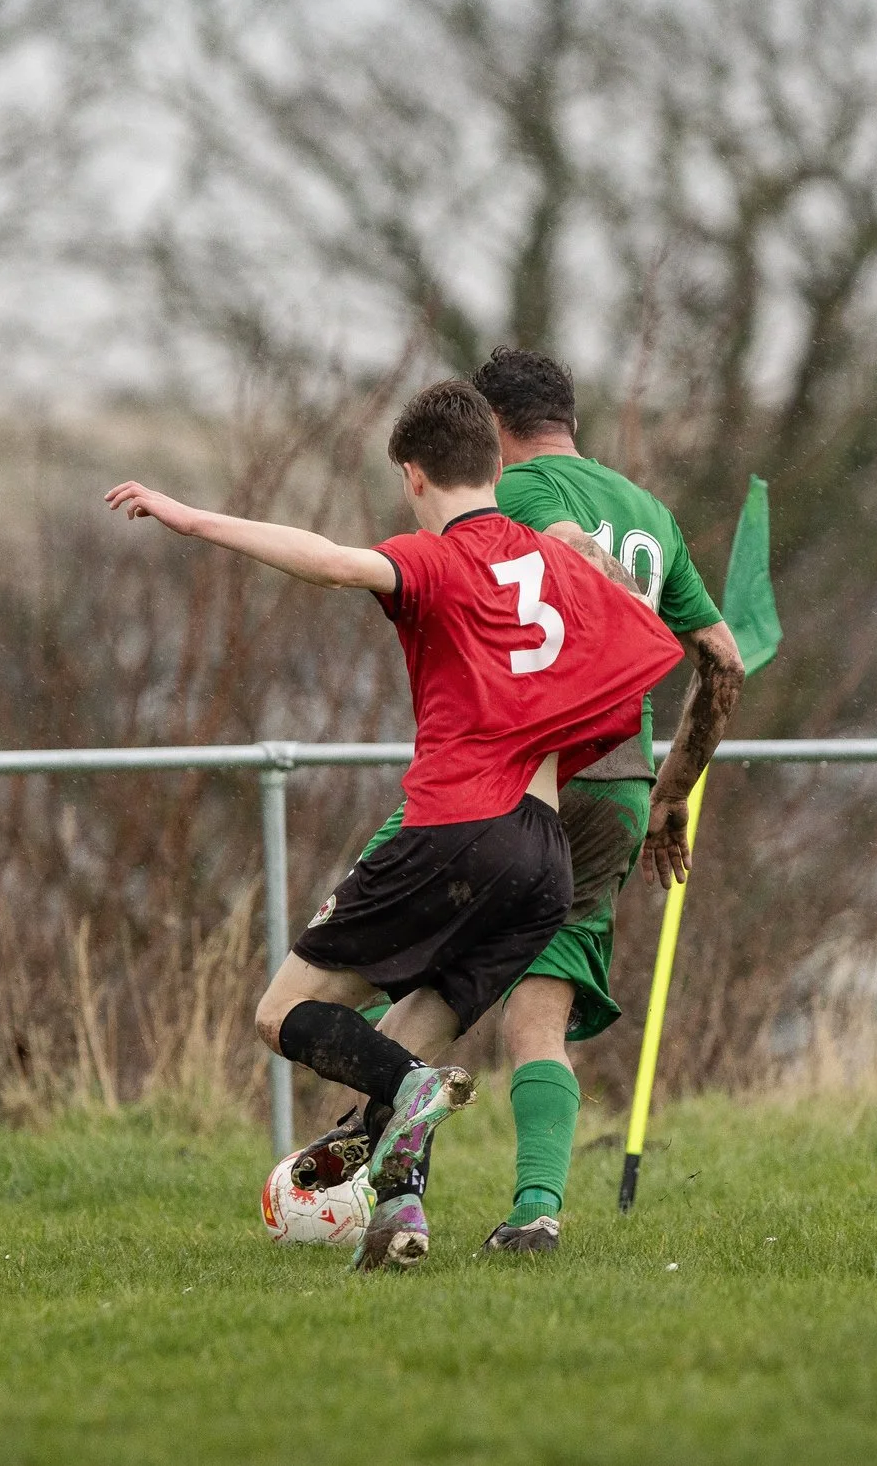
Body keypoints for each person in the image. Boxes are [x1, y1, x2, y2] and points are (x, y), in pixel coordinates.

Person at [104, 379, 682, 1270]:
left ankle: (412, 1098)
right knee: (404, 1043)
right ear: (497, 461)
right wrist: (585, 563)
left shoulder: (439, 560)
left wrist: (190, 518)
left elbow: (330, 559)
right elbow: (648, 639)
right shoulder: (559, 563)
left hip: (452, 832)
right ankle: (399, 1218)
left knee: (283, 1014)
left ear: (414, 478)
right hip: (543, 862)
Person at [291, 348, 745, 1255]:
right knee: (537, 1015)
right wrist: (671, 794)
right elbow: (724, 660)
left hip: (515, 777)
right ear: (569, 417)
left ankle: (364, 1152)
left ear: (492, 435)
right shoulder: (648, 510)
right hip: (617, 788)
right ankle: (535, 1210)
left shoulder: (517, 497)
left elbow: (526, 577)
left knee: (395, 971)